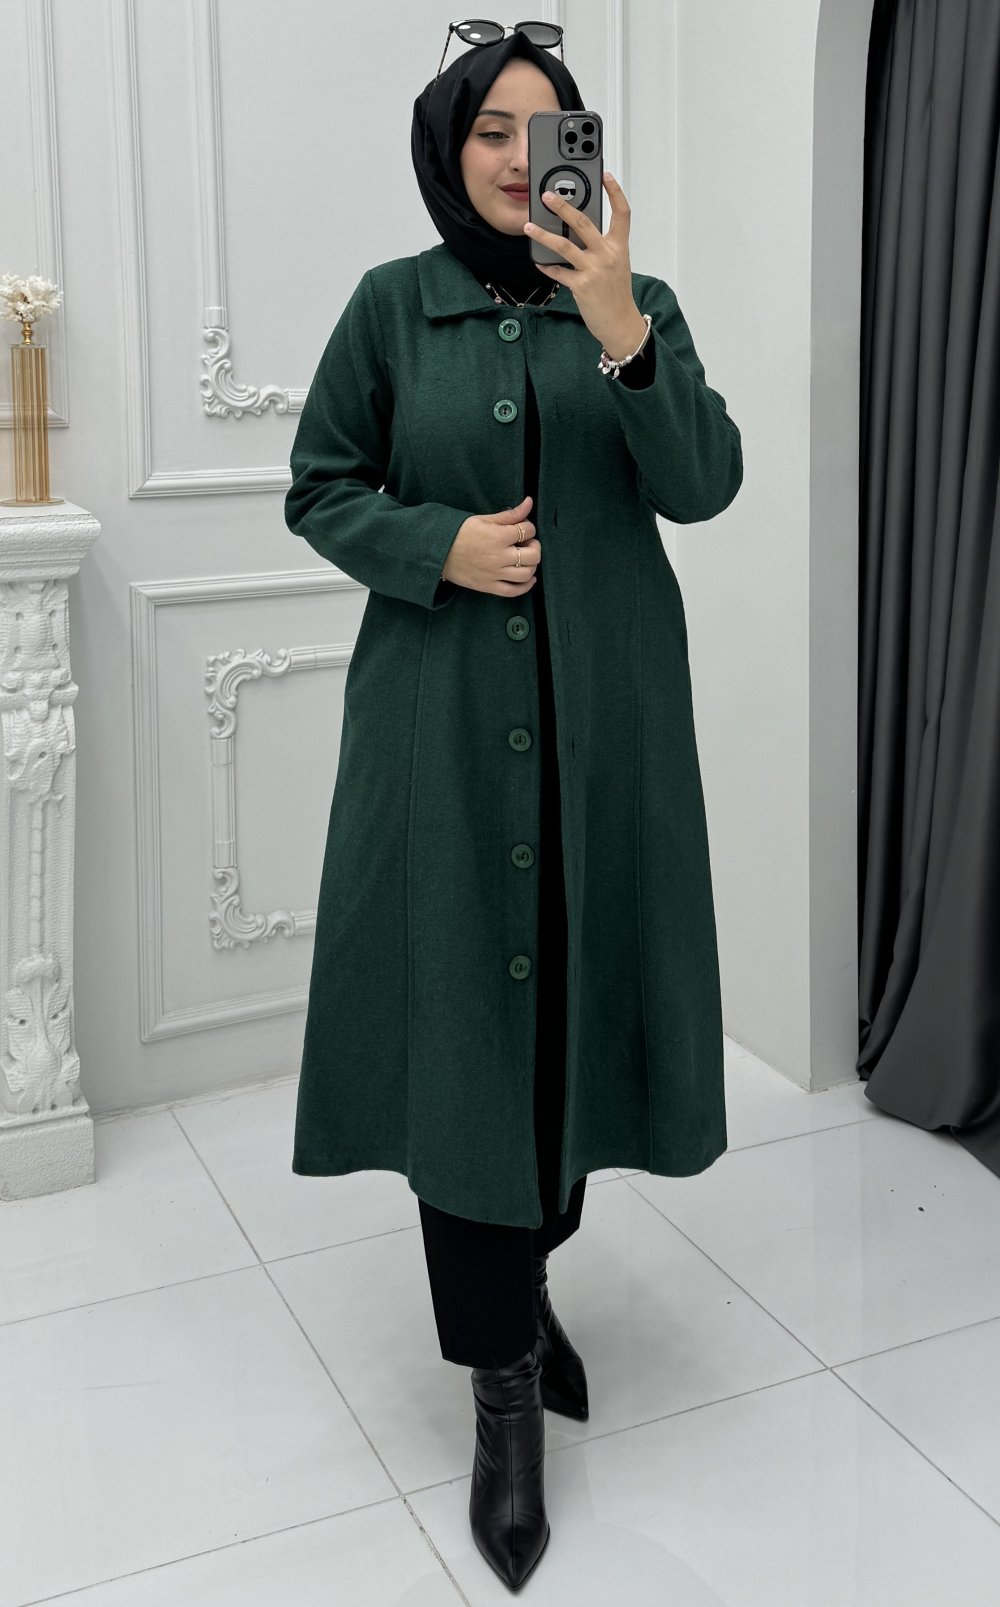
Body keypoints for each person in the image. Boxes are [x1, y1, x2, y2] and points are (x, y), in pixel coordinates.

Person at [284, 23, 743, 1594]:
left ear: (582, 155)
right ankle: (501, 1400)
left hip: (606, 743)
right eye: (491, 129)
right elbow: (320, 485)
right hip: (440, 747)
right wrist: (440, 548)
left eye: (548, 132)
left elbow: (704, 484)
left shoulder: (636, 301)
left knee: (570, 1027)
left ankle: (531, 1288)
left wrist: (622, 331)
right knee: (466, 1043)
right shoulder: (386, 308)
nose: (516, 158)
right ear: (448, 147)